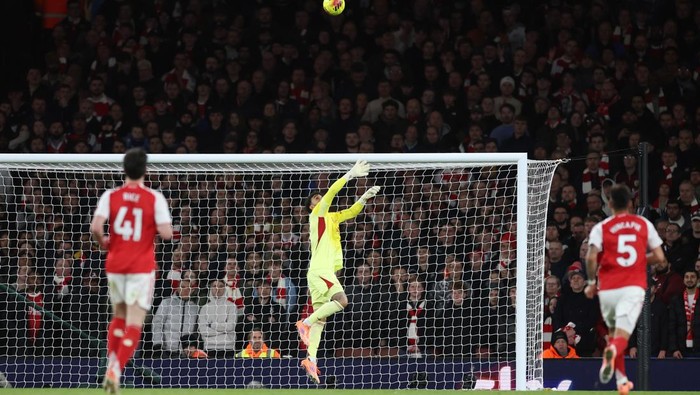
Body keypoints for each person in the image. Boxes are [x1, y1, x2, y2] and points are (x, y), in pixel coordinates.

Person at [90, 147, 173, 394]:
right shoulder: (154, 198)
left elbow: (95, 227)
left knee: (118, 317)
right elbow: (168, 234)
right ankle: (115, 369)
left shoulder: (110, 195)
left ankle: (111, 364)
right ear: (145, 170)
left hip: (115, 264)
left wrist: (103, 242)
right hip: (141, 267)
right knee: (135, 322)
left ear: (123, 170)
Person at [296, 160, 380, 384]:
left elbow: (351, 212)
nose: (320, 199)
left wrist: (363, 198)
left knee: (321, 321)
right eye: (316, 199)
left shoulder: (331, 218)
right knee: (342, 301)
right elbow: (332, 191)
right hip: (321, 269)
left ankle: (311, 359)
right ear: (312, 206)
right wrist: (351, 174)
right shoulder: (317, 216)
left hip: (318, 271)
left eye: (318, 196)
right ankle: (304, 323)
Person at [585, 184, 666, 395]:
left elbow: (591, 257)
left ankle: (622, 382)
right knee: (620, 336)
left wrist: (591, 282)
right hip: (633, 286)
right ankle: (611, 353)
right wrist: (638, 261)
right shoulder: (643, 224)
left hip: (608, 286)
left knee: (614, 333)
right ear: (631, 203)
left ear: (610, 204)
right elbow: (659, 258)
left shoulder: (601, 227)